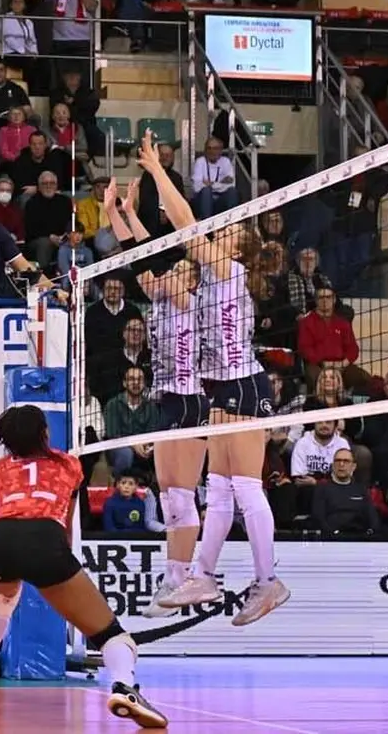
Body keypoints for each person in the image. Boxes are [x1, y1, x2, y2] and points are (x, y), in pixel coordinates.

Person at [135, 131, 289, 626]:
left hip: (244, 384)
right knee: (219, 491)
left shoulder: (229, 271)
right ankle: (202, 574)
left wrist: (158, 171)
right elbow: (168, 242)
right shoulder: (207, 279)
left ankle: (268, 581)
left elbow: (184, 223)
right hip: (219, 388)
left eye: (227, 232)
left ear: (238, 251)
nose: (218, 234)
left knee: (245, 488)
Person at [0, 405, 166, 726]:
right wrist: (61, 570)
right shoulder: (69, 464)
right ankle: (124, 687)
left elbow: (10, 510)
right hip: (44, 539)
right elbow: (66, 527)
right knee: (111, 635)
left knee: (1, 599)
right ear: (45, 433)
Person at [102, 178, 207, 614]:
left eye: (180, 270)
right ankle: (175, 578)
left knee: (183, 493)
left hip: (193, 399)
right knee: (167, 493)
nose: (171, 274)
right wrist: (117, 212)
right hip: (167, 399)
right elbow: (140, 258)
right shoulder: (164, 296)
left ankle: (188, 576)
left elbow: (152, 259)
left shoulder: (190, 299)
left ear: (193, 280)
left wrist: (131, 217)